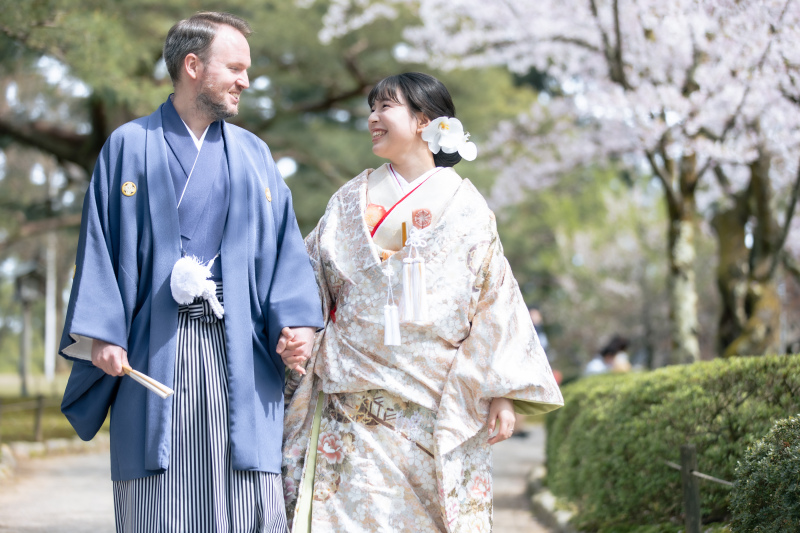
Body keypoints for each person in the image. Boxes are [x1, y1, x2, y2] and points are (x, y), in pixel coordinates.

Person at [58, 12, 323, 532]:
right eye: (236, 68)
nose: (246, 81)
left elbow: (285, 253)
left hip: (241, 353)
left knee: (245, 493)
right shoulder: (128, 146)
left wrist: (298, 327)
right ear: (194, 65)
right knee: (159, 501)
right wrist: (102, 335)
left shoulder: (254, 155)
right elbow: (99, 245)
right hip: (153, 352)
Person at [281, 72, 563, 532]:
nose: (372, 117)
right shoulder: (349, 199)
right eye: (371, 108)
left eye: (385, 107)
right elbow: (307, 276)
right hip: (350, 399)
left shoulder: (468, 208)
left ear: (424, 121)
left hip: (436, 402)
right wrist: (300, 328)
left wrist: (502, 392)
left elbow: (495, 301)